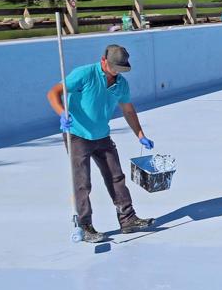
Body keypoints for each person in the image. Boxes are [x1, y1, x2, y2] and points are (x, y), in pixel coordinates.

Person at [46, 44, 155, 243]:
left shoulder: (121, 84)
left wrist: (140, 135)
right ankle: (85, 226)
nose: (118, 72)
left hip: (102, 135)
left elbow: (128, 110)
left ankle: (127, 218)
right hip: (77, 135)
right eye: (115, 67)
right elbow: (53, 93)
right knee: (82, 182)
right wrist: (62, 113)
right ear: (104, 61)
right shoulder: (84, 74)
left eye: (121, 69)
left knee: (116, 177)